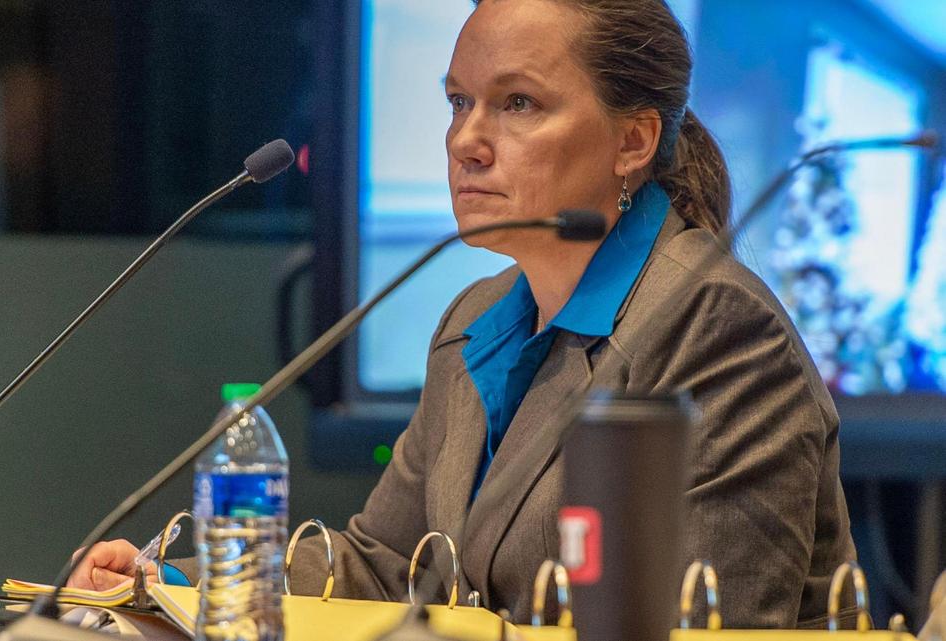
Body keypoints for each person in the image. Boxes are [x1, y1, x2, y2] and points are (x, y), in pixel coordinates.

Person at [69, 0, 857, 628]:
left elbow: (702, 623)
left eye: (518, 103)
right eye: (458, 101)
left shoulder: (713, 326)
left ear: (634, 140)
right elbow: (385, 566)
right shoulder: (475, 320)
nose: (466, 141)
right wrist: (170, 583)